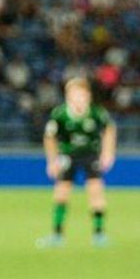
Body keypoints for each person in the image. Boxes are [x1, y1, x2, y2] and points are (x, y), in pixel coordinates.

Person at [37, 78, 117, 248]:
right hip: (67, 155)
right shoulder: (60, 114)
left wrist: (108, 152)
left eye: (81, 94)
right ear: (67, 96)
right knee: (61, 193)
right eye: (73, 95)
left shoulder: (96, 113)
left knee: (95, 191)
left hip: (90, 155)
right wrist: (51, 161)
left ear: (87, 96)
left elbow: (109, 130)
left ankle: (99, 234)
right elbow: (49, 137)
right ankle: (57, 235)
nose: (77, 98)